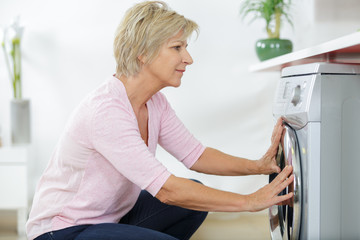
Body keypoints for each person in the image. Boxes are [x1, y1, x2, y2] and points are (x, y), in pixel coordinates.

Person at [26, 1, 294, 240]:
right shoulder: (106, 111)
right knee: (181, 198)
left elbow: (196, 155)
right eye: (177, 47)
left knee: (192, 199)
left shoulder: (154, 102)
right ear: (142, 52)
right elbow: (167, 190)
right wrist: (249, 201)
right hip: (61, 231)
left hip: (109, 220)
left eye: (185, 47)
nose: (188, 59)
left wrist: (259, 166)